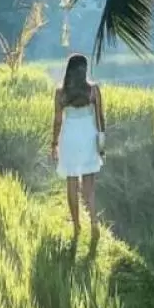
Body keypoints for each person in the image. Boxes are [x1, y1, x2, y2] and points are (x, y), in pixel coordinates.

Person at [51, 53, 106, 245]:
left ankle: (76, 225)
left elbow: (58, 121)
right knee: (89, 186)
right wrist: (102, 142)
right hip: (88, 138)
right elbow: (100, 118)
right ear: (84, 70)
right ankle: (93, 222)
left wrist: (54, 143)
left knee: (72, 183)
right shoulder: (93, 90)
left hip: (69, 139)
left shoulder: (61, 93)